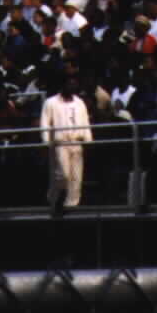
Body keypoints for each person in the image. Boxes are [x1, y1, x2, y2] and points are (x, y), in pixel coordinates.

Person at [40, 75, 92, 212]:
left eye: (74, 84)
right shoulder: (51, 102)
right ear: (62, 85)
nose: (72, 87)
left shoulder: (79, 102)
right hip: (60, 142)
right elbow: (45, 123)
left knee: (76, 176)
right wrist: (46, 141)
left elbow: (85, 120)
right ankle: (53, 197)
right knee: (63, 174)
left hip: (76, 141)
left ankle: (71, 205)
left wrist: (88, 139)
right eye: (69, 84)